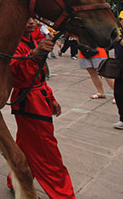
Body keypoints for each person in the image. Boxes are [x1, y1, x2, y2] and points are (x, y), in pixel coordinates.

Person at [7, 18, 75, 198]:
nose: (30, 22)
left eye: (32, 18)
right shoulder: (13, 44)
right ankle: (63, 194)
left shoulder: (32, 40)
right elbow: (17, 76)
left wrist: (51, 98)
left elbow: (40, 76)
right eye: (25, 18)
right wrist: (35, 52)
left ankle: (15, 179)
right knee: (46, 152)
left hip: (39, 97)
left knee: (25, 144)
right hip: (29, 102)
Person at [113, 11, 123, 130]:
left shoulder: (119, 36)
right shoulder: (118, 33)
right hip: (120, 67)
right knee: (119, 93)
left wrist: (119, 40)